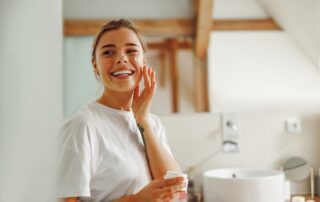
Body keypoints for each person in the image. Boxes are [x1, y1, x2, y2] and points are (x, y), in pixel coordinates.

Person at [57, 19, 186, 202]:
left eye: (131, 50)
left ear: (144, 61)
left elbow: (175, 188)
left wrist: (143, 121)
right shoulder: (82, 126)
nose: (121, 58)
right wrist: (136, 200)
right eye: (108, 52)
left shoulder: (152, 123)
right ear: (95, 65)